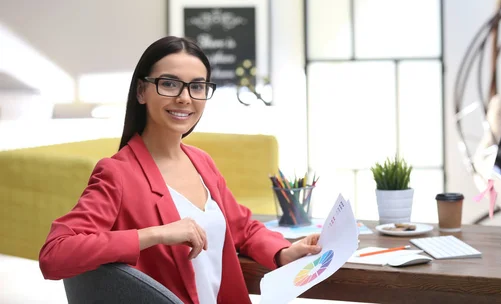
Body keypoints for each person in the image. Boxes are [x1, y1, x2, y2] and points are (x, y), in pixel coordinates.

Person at [39, 36, 321, 304]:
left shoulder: (201, 161)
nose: (185, 98)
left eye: (197, 87)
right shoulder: (117, 173)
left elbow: (242, 228)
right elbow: (54, 255)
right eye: (170, 84)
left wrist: (283, 251)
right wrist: (155, 234)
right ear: (141, 91)